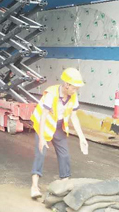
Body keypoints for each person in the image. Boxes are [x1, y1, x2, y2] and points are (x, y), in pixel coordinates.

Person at [30, 68, 89, 199]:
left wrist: (82, 137)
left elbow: (74, 116)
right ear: (66, 84)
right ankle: (34, 187)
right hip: (44, 125)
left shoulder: (73, 96)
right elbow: (43, 115)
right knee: (40, 153)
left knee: (64, 155)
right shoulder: (51, 93)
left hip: (58, 126)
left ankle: (65, 184)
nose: (75, 90)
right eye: (74, 87)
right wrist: (41, 138)